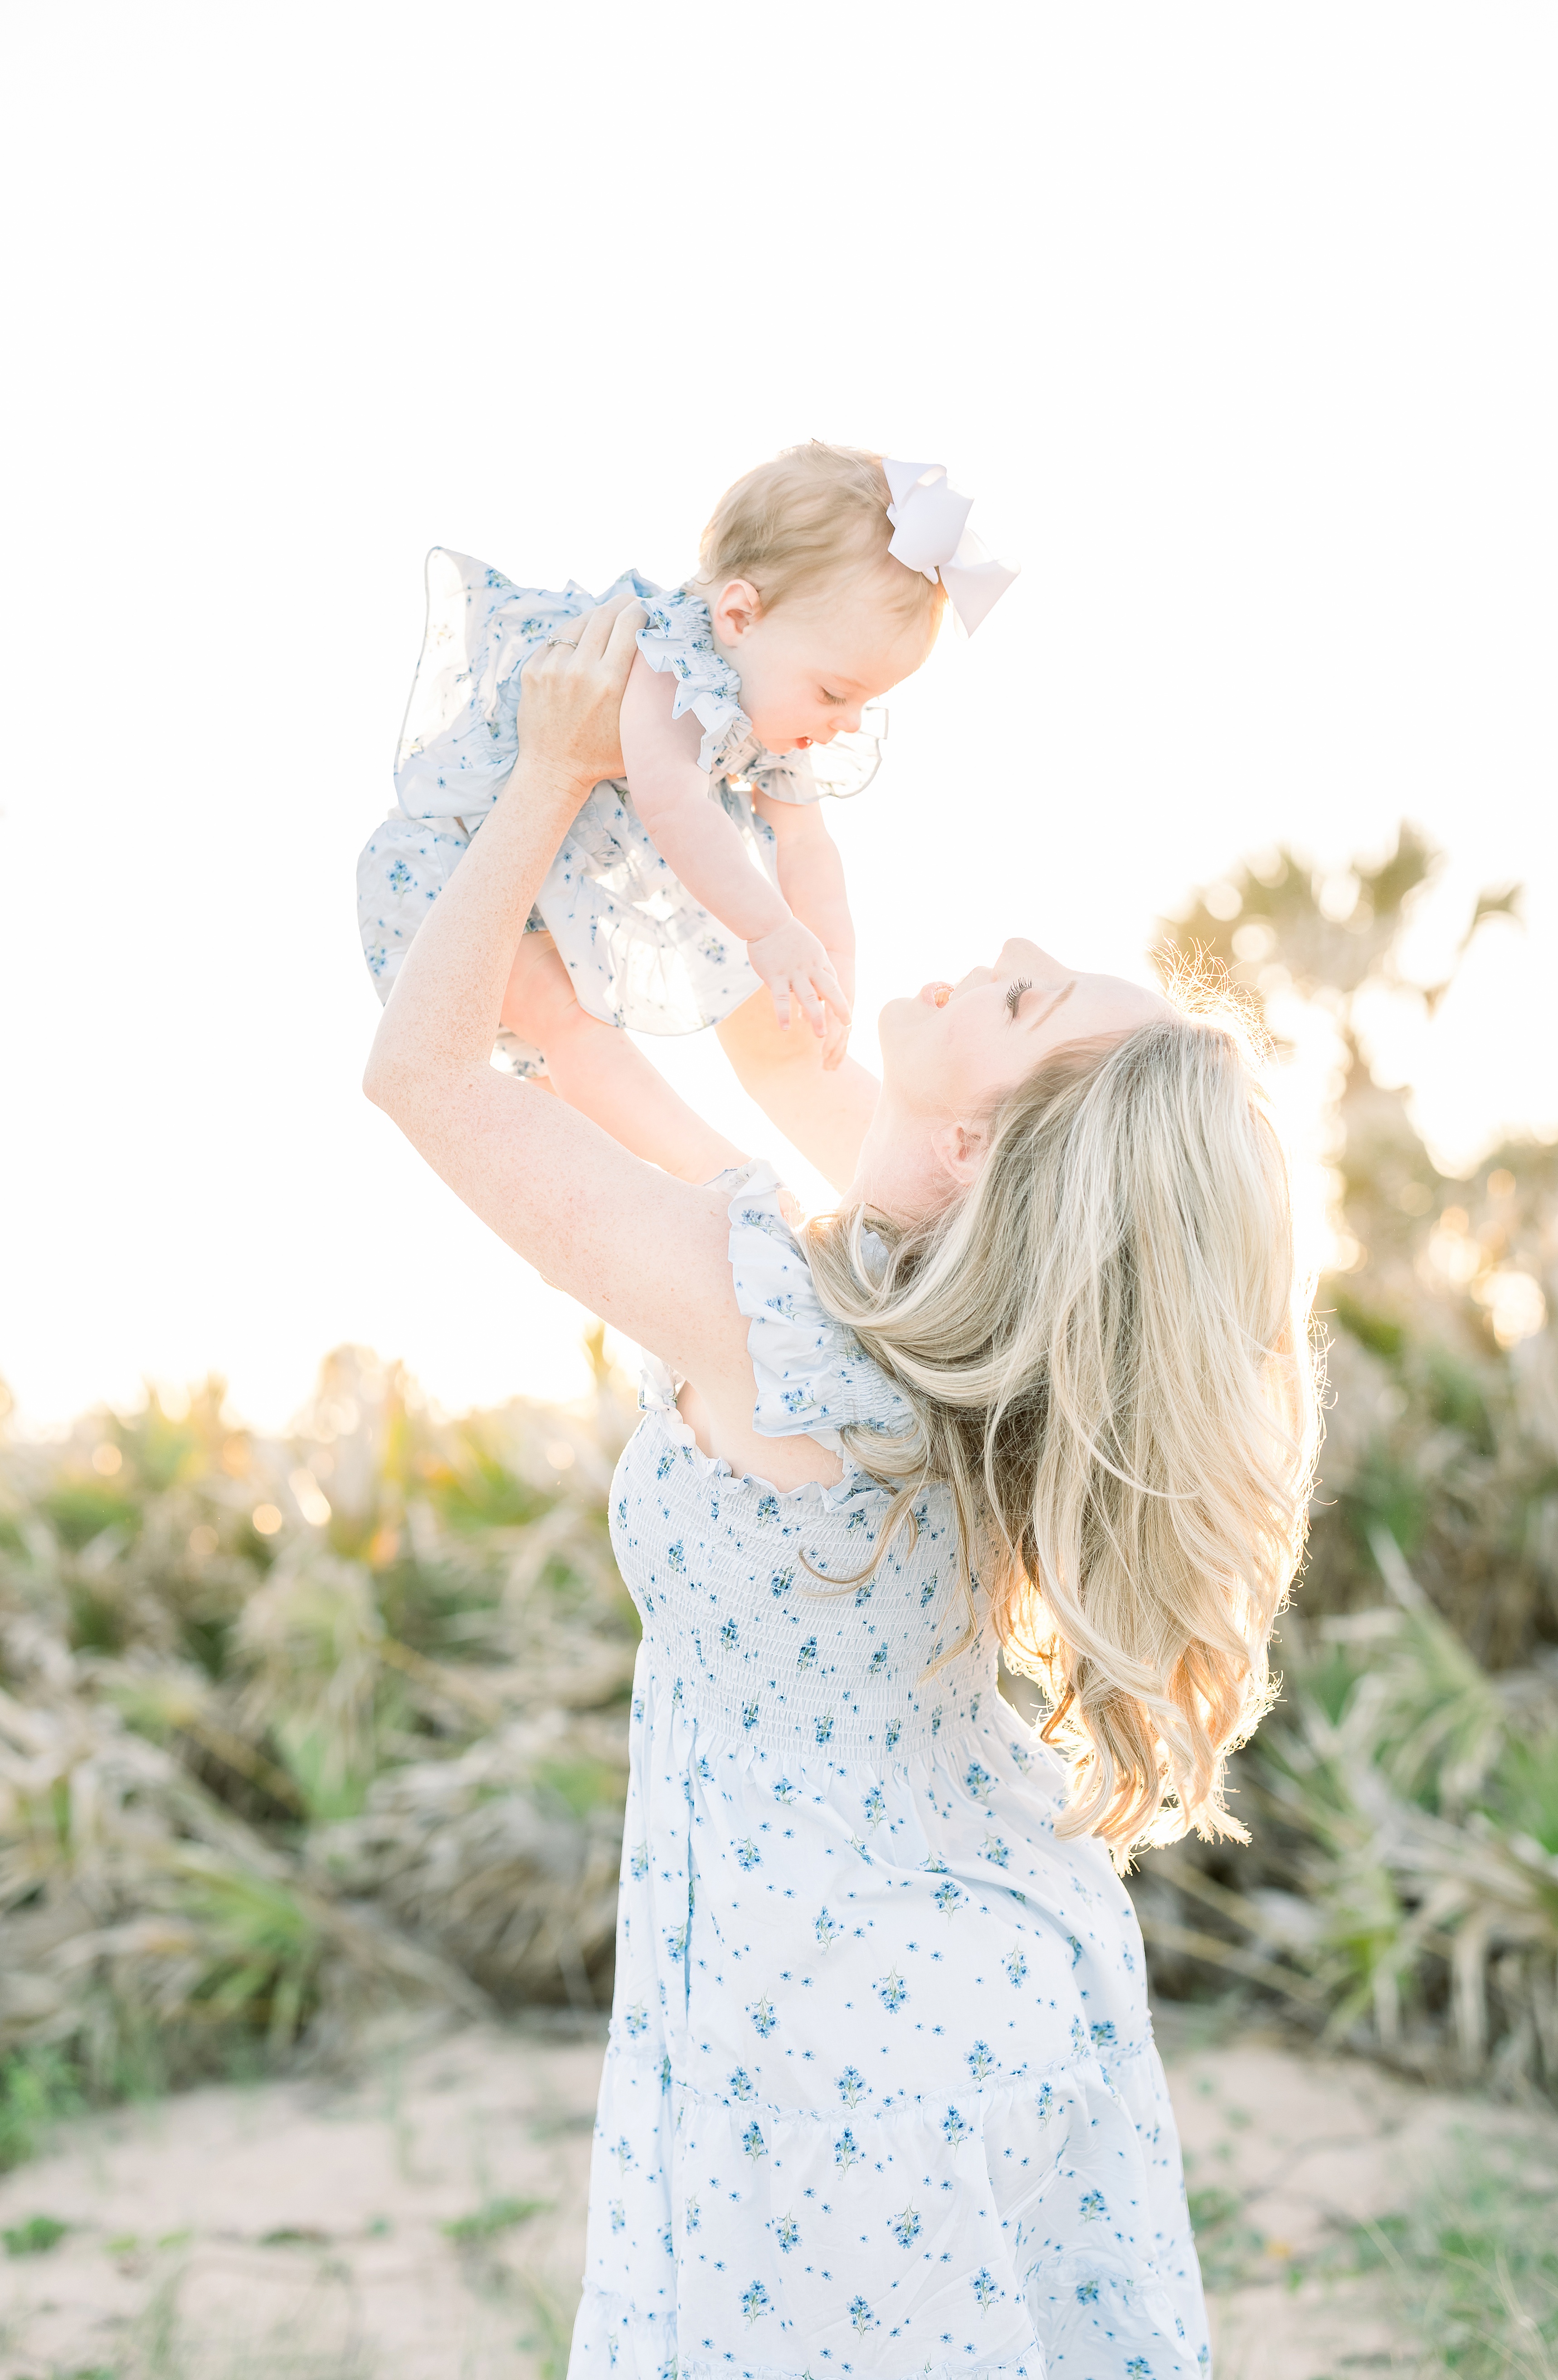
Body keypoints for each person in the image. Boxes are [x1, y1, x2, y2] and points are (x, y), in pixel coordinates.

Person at [363, 602, 1320, 2379]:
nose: (1014, 942)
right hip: (981, 1961)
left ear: (975, 1151)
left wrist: (558, 774)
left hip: (825, 2019)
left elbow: (416, 1078)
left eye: (1027, 998)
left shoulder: (782, 1318)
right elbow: (652, 1098)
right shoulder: (910, 1335)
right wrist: (624, 919)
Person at [357, 444, 1016, 1182]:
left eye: (868, 701)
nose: (850, 722)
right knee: (570, 1023)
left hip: (578, 883)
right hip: (460, 872)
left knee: (776, 1023)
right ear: (739, 614)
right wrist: (772, 929)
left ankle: (907, 1197)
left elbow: (806, 844)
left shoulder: (774, 696)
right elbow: (672, 802)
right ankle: (730, 1189)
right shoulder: (670, 658)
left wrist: (832, 962)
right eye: (836, 693)